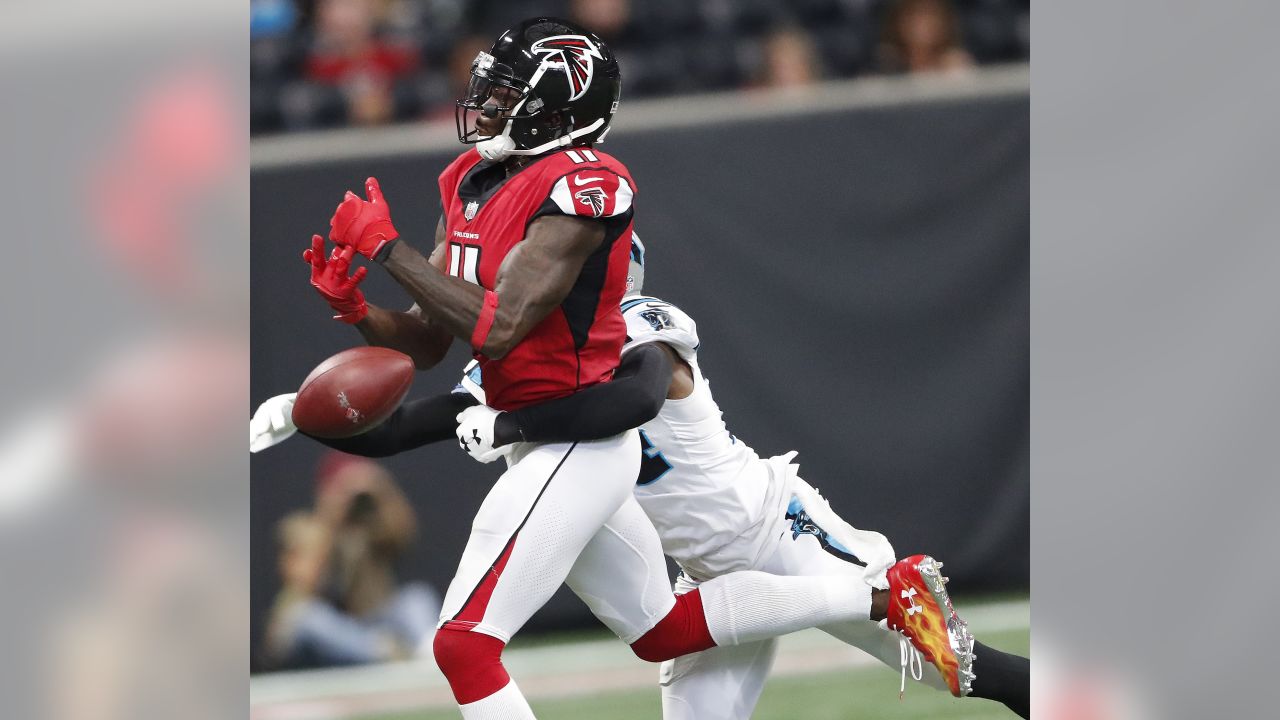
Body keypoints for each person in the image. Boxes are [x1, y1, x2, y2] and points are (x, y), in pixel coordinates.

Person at [292, 17, 936, 720]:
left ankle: (877, 593)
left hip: (579, 439)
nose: (488, 106)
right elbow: (429, 341)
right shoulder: (469, 180)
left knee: (463, 645)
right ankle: (878, 594)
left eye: (508, 95)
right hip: (539, 443)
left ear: (557, 109)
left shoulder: (587, 186)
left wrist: (389, 249)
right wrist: (357, 306)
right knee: (664, 632)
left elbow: (502, 327)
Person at [253, 236, 1029, 717]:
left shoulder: (642, 325)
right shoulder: (521, 362)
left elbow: (630, 398)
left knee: (952, 669)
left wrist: (517, 425)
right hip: (708, 588)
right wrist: (307, 409)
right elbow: (399, 428)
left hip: (776, 533)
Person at [263, 454, 439, 669]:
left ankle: (430, 655)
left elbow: (404, 531)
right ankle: (387, 657)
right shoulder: (311, 528)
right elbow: (304, 581)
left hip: (375, 624)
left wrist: (380, 488)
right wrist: (333, 510)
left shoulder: (373, 530)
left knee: (416, 597)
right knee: (307, 617)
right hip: (334, 632)